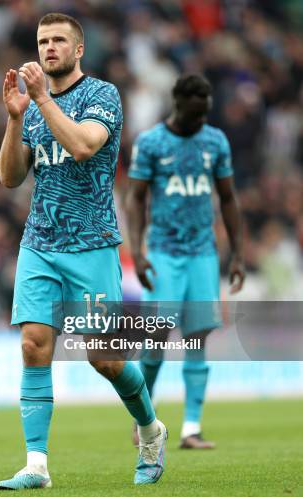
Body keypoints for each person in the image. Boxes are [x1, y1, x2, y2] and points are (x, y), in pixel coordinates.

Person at [0, 13, 167, 490]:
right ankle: (36, 465)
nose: (48, 48)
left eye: (57, 41)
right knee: (33, 345)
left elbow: (86, 145)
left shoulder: (102, 96)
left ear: (79, 49)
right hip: (40, 242)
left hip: (91, 244)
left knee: (105, 359)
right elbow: (10, 177)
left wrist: (41, 101)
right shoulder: (30, 108)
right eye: (42, 41)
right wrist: (14, 119)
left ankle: (151, 432)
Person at [126, 74, 245, 449]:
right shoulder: (151, 142)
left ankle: (191, 427)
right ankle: (144, 417)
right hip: (163, 251)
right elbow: (135, 199)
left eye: (204, 115)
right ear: (178, 104)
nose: (200, 123)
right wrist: (138, 252)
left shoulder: (215, 141)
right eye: (194, 115)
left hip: (203, 253)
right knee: (156, 334)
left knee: (198, 337)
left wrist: (238, 253)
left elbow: (227, 198)